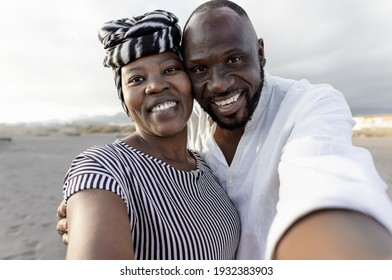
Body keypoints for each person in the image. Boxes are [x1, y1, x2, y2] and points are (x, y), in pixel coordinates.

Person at [58, 0, 392, 259]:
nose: (218, 85)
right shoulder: (112, 164)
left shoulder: (307, 106)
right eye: (200, 68)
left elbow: (325, 180)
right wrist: (93, 215)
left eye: (234, 60)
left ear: (260, 53)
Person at [60, 9, 240, 260]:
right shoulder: (104, 168)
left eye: (169, 70)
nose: (155, 85)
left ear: (190, 82)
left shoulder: (206, 168)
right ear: (124, 98)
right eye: (136, 79)